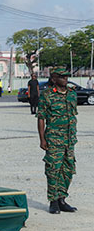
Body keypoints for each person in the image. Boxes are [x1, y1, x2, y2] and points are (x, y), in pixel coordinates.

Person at [37, 66, 78, 215]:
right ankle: (53, 201)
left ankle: (62, 199)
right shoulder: (47, 95)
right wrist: (42, 139)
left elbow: (73, 116)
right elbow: (41, 118)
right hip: (54, 139)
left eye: (66, 76)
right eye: (61, 76)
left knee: (68, 170)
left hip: (69, 139)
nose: (65, 78)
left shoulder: (72, 94)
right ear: (54, 79)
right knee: (53, 170)